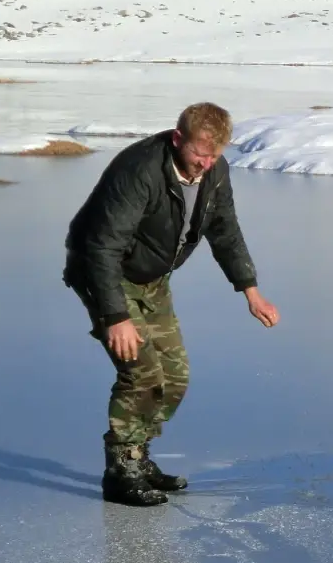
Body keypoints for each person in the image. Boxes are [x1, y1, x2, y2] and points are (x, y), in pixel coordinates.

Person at [63, 102, 279, 506]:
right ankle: (121, 470)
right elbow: (102, 247)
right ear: (178, 139)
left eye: (214, 155)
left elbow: (225, 230)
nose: (205, 163)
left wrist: (250, 289)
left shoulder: (215, 171)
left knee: (174, 378)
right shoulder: (140, 170)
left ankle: (139, 456)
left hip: (152, 278)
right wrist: (115, 316)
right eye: (200, 153)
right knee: (141, 372)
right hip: (103, 274)